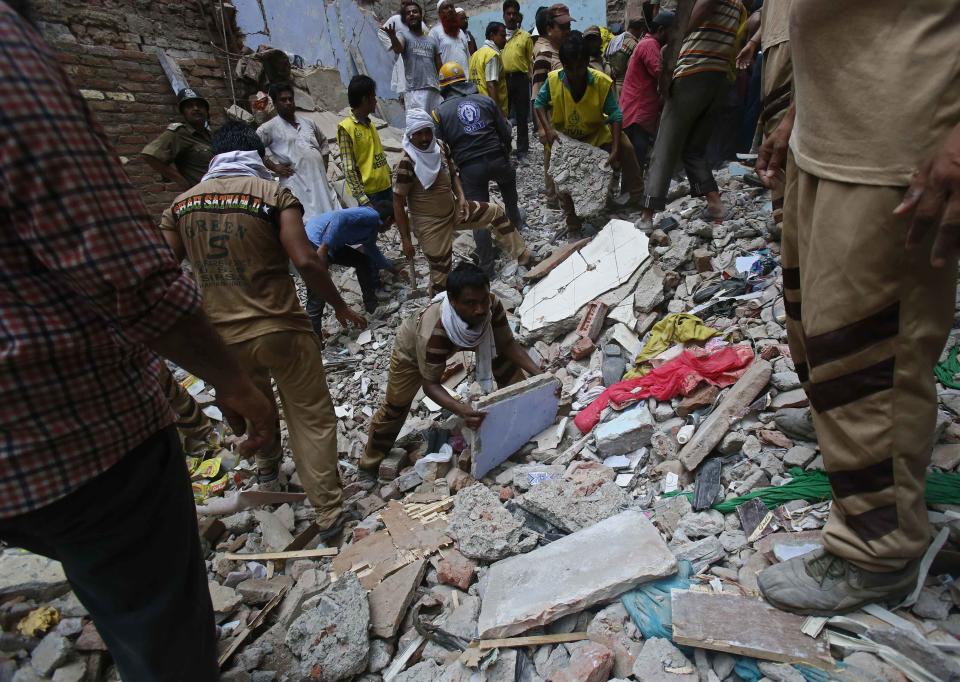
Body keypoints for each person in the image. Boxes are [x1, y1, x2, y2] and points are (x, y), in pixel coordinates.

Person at [0, 5, 275, 680]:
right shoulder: (9, 53)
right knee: (157, 631)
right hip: (70, 428)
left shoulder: (191, 189)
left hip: (24, 457)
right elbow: (123, 266)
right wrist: (230, 378)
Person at [752, 1, 960, 616]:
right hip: (833, 131)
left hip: (900, 145)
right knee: (819, 334)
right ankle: (861, 457)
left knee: (870, 354)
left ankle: (879, 554)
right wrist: (799, 109)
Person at [160, 122, 367, 542]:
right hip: (282, 329)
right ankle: (328, 512)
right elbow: (307, 263)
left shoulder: (180, 206)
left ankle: (268, 472)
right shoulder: (274, 195)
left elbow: (161, 271)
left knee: (254, 407)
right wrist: (340, 304)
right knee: (309, 416)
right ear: (255, 156)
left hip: (222, 342)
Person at [360, 262, 545, 476]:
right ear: (453, 300)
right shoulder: (433, 333)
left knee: (504, 360)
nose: (480, 309)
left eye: (483, 299)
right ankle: (370, 462)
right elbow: (430, 385)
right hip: (410, 351)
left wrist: (541, 377)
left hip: (469, 337)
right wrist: (461, 409)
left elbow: (508, 344)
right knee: (396, 407)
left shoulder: (490, 307)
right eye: (470, 303)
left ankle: (523, 416)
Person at [392, 109, 532, 293]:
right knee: (441, 276)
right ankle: (437, 310)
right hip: (429, 225)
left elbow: (453, 174)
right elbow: (397, 202)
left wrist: (462, 198)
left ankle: (524, 257)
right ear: (410, 135)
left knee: (494, 213)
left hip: (454, 210)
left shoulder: (440, 146)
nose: (425, 138)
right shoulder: (406, 162)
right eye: (419, 134)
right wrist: (405, 240)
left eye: (428, 131)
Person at [637, 0, 747, 230]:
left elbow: (707, 4)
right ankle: (715, 203)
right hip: (719, 76)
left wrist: (674, 42)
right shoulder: (739, 5)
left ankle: (646, 216)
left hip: (693, 70)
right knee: (694, 148)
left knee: (665, 144)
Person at [534, 34, 644, 233]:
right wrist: (548, 130)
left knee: (627, 147)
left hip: (595, 132)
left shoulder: (601, 82)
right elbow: (539, 104)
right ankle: (572, 221)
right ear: (563, 66)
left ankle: (636, 197)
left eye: (580, 67)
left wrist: (616, 148)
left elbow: (616, 115)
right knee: (561, 175)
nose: (575, 73)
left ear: (586, 63)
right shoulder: (553, 80)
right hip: (564, 137)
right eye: (570, 68)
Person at [434, 61, 522, 277]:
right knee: (509, 194)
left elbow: (441, 148)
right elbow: (505, 131)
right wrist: (504, 152)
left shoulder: (439, 112)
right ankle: (518, 233)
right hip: (497, 159)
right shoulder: (486, 101)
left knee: (479, 216)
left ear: (444, 88)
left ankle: (487, 266)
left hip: (470, 168)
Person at [303, 201, 405, 327]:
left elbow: (373, 252)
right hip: (313, 240)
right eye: (391, 224)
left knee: (363, 261)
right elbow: (339, 216)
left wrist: (392, 269)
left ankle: (372, 307)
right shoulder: (371, 215)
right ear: (388, 219)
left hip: (331, 244)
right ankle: (314, 337)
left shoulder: (371, 230)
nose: (389, 228)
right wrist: (324, 247)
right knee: (318, 291)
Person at [737, 0, 792, 228]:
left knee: (785, 128)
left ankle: (790, 210)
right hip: (774, 44)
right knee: (774, 122)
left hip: (792, 40)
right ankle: (782, 208)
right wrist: (753, 42)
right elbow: (768, 13)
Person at [257, 81, 340, 221]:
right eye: (283, 100)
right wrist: (274, 166)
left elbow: (324, 143)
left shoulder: (308, 123)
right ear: (275, 104)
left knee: (331, 215)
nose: (288, 102)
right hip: (296, 182)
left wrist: (322, 167)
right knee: (307, 219)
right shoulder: (267, 128)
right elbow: (254, 150)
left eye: (290, 99)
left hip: (320, 181)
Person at [619, 10, 674, 170]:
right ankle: (632, 191)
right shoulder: (649, 45)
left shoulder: (648, 43)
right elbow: (660, 74)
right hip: (638, 111)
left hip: (638, 110)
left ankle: (631, 190)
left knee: (636, 157)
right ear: (661, 30)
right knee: (637, 157)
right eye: (673, 31)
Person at [530, 3, 572, 208]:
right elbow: (536, 94)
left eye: (568, 27)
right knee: (551, 158)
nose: (567, 31)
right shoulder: (544, 55)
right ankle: (553, 198)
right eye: (562, 28)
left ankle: (562, 195)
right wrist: (541, 126)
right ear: (549, 29)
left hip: (567, 115)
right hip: (551, 117)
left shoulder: (565, 51)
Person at [141, 87, 213, 190]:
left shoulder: (212, 135)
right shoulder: (179, 133)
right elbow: (149, 155)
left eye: (200, 105)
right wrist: (181, 181)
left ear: (207, 110)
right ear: (183, 113)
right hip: (200, 196)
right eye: (189, 106)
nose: (196, 108)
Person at [338, 75, 394, 207]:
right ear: (365, 99)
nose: (376, 101)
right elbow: (348, 168)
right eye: (373, 97)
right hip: (370, 194)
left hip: (385, 187)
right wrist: (363, 199)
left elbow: (379, 156)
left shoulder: (371, 124)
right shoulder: (346, 128)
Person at [384, 0, 443, 114]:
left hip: (434, 90)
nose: (411, 14)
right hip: (415, 92)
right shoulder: (403, 35)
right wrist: (392, 37)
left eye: (415, 12)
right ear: (405, 19)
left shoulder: (432, 41)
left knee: (436, 127)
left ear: (421, 15)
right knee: (418, 129)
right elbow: (398, 49)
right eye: (408, 13)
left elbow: (439, 66)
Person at [501, 0, 534, 156]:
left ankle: (522, 150)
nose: (512, 17)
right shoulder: (499, 35)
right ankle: (506, 147)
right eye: (509, 13)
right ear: (504, 15)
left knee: (521, 115)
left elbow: (530, 61)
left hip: (520, 79)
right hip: (503, 80)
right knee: (503, 114)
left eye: (514, 13)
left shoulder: (525, 36)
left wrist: (532, 81)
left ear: (518, 15)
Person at [468, 21, 508, 115]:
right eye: (502, 36)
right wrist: (498, 114)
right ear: (492, 35)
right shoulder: (492, 55)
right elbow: (491, 84)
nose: (505, 40)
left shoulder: (475, 55)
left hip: (477, 106)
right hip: (490, 109)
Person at [605, 17, 645, 92]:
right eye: (641, 31)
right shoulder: (634, 44)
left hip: (610, 83)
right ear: (639, 30)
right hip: (625, 86)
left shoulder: (614, 40)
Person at [431, 0, 471, 68]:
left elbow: (468, 56)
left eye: (451, 7)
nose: (450, 9)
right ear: (439, 13)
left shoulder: (460, 32)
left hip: (466, 76)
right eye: (446, 8)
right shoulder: (434, 32)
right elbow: (434, 60)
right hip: (448, 77)